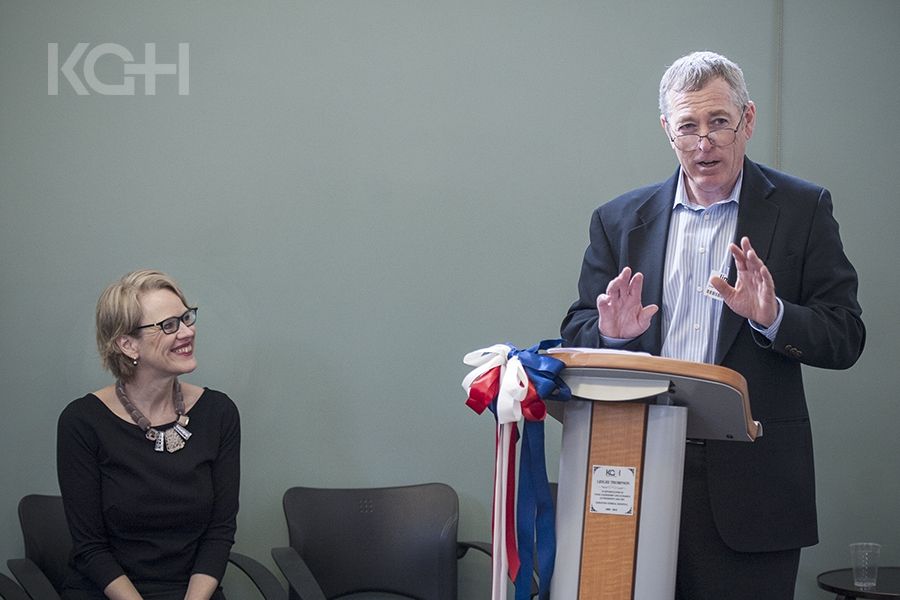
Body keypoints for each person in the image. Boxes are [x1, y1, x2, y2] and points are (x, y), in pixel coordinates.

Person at [560, 51, 865, 599]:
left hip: (755, 482)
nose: (705, 143)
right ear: (667, 132)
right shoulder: (618, 220)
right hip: (635, 469)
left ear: (746, 121)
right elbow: (578, 331)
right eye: (688, 127)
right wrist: (613, 336)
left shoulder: (802, 208)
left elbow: (846, 335)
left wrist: (772, 317)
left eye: (719, 122)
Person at [57, 270, 241, 600]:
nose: (187, 332)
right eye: (168, 325)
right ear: (127, 344)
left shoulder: (219, 413)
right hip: (109, 593)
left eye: (186, 317)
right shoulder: (82, 422)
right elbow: (91, 548)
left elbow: (220, 531)